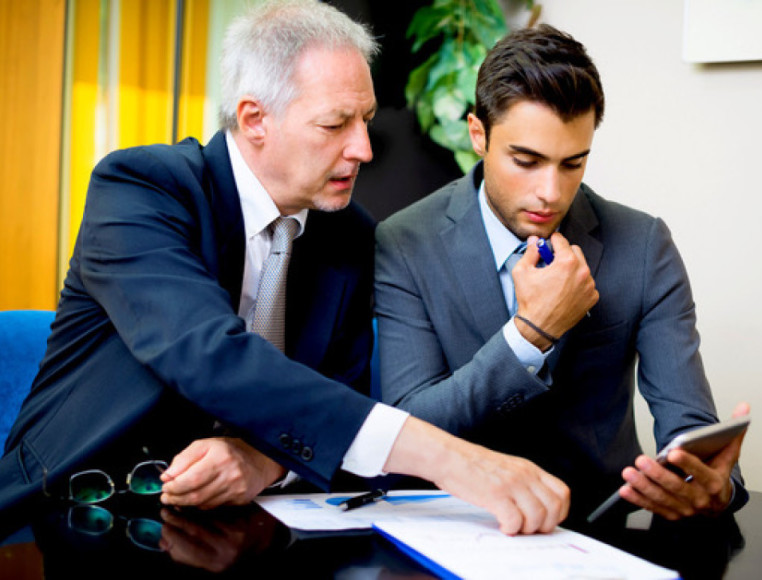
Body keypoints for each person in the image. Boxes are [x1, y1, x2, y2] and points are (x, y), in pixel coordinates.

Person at [0, 0, 570, 540]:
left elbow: (337, 394)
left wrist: (266, 461)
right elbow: (211, 356)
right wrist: (452, 459)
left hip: (242, 530)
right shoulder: (142, 189)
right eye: (335, 124)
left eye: (366, 119)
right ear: (255, 119)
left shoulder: (349, 234)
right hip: (70, 512)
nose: (364, 149)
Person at [375, 23, 749, 525]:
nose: (550, 192)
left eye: (572, 163)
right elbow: (407, 427)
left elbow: (688, 426)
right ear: (478, 134)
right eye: (526, 161)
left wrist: (713, 483)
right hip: (451, 526)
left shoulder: (643, 246)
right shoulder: (405, 242)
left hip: (598, 533)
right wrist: (530, 335)